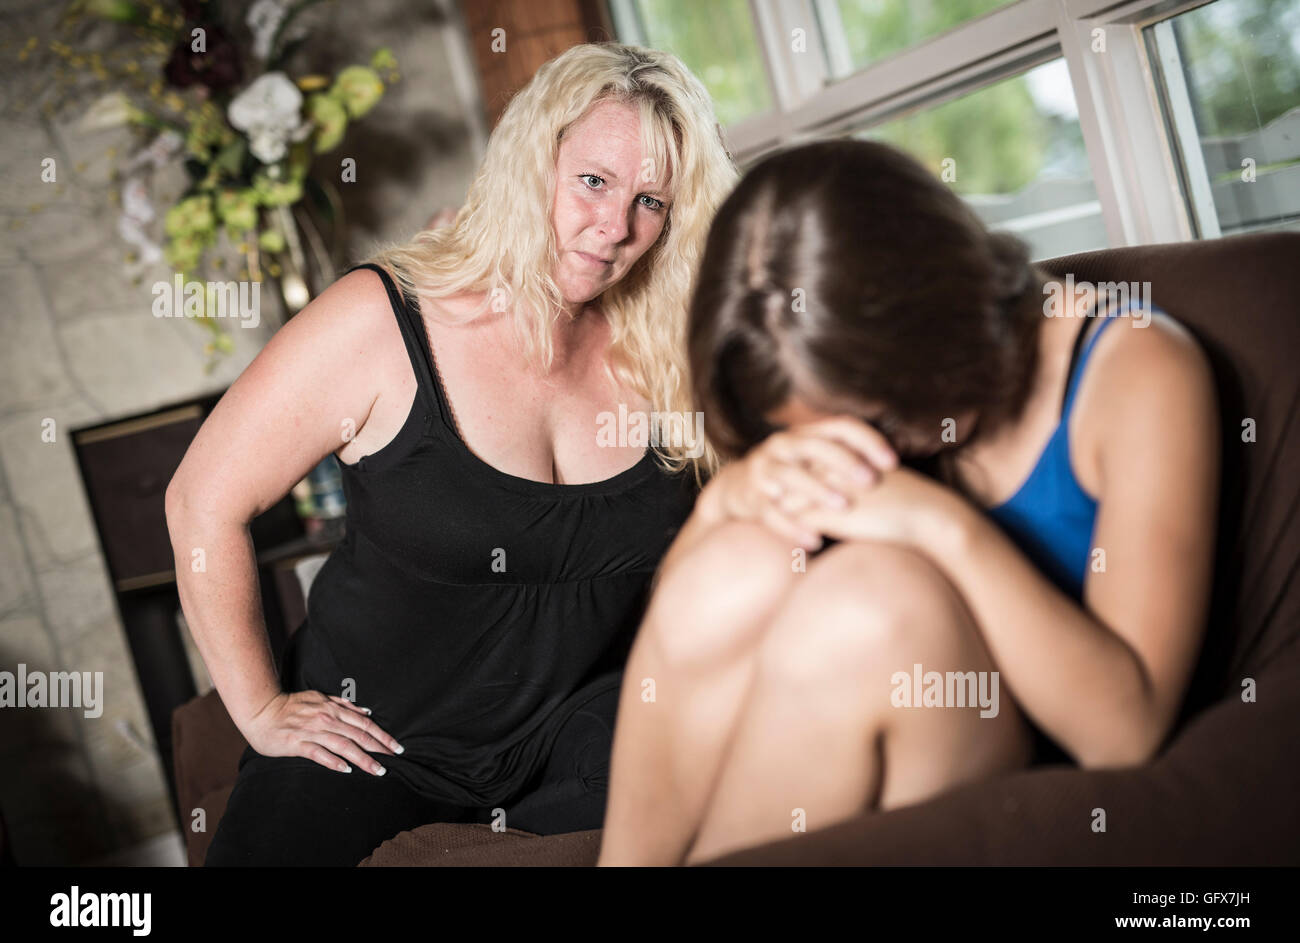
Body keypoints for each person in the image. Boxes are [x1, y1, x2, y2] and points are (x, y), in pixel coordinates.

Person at [165, 42, 737, 866]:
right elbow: (201, 504)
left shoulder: (671, 350)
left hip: (584, 725)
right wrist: (258, 709)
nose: (614, 226)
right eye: (593, 181)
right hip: (375, 738)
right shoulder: (384, 319)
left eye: (652, 199)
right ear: (531, 161)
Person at [596, 138, 1220, 866]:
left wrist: (939, 524)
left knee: (873, 599)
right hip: (883, 734)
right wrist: (722, 507)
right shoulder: (824, 353)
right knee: (740, 558)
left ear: (933, 333)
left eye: (876, 423)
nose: (868, 450)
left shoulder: (1135, 366)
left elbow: (1127, 730)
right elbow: (689, 634)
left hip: (1030, 760)